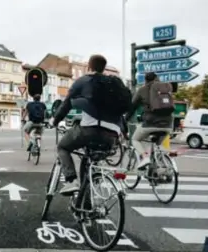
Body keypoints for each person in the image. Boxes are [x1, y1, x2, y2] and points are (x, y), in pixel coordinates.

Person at [52, 55, 123, 194]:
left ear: (89, 67)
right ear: (104, 68)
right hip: (112, 135)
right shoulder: (113, 85)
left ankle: (71, 180)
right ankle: (85, 204)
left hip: (90, 130)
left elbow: (67, 103)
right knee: (89, 161)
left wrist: (55, 120)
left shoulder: (84, 81)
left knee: (62, 147)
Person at [125, 72, 174, 169]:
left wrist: (125, 119)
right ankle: (159, 164)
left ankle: (144, 157)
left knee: (135, 139)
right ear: (157, 78)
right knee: (158, 145)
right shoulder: (165, 88)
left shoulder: (142, 90)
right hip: (168, 125)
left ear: (145, 80)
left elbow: (132, 107)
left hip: (151, 123)